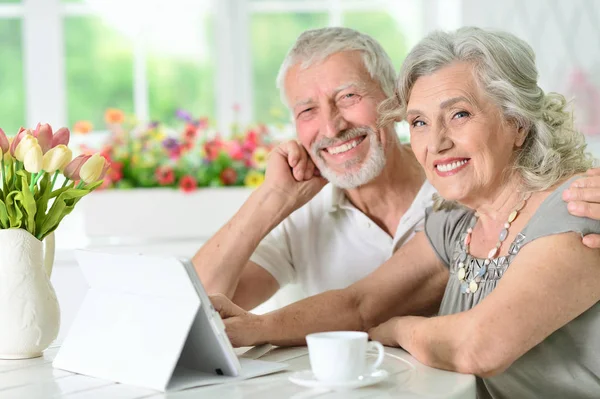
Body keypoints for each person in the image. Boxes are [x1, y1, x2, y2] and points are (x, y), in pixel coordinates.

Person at [211, 27, 600, 398]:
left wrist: (398, 329)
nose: (437, 142)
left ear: (517, 123)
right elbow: (359, 304)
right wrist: (254, 327)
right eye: (419, 122)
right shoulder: (457, 222)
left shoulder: (578, 207)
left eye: (460, 115)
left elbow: (480, 347)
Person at [192, 27, 445, 315]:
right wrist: (271, 198)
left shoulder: (456, 184)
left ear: (395, 99)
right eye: (307, 111)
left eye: (348, 96)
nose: (331, 127)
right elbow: (197, 310)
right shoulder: (300, 214)